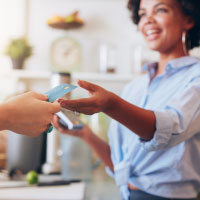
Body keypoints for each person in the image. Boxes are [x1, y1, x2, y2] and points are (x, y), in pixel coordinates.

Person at [52, 0, 200, 199]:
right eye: (142, 14)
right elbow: (120, 165)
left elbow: (169, 130)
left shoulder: (196, 77)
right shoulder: (135, 86)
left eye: (161, 10)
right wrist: (85, 134)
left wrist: (111, 105)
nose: (148, 20)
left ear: (188, 19)